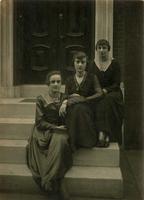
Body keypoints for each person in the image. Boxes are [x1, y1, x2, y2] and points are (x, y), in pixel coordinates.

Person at [26, 71, 72, 198]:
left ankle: (50, 179)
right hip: (43, 130)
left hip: (59, 130)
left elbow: (78, 98)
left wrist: (65, 102)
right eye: (53, 82)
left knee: (60, 141)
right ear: (48, 84)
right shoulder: (41, 99)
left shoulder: (64, 97)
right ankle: (55, 182)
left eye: (58, 81)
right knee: (41, 147)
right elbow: (39, 122)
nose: (56, 84)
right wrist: (55, 127)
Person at [59, 51, 104, 151]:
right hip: (72, 107)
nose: (80, 65)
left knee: (79, 109)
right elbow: (65, 95)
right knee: (75, 109)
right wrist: (64, 102)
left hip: (87, 107)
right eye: (77, 62)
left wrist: (84, 99)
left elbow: (99, 93)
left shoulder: (92, 77)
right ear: (73, 63)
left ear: (86, 64)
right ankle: (75, 142)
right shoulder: (69, 80)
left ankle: (82, 141)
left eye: (83, 62)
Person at [88, 39, 124, 145]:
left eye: (104, 48)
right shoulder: (92, 65)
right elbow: (90, 82)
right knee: (98, 102)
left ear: (108, 50)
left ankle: (105, 134)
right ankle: (103, 134)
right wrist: (98, 91)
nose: (102, 50)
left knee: (107, 100)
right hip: (98, 93)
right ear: (96, 50)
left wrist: (106, 90)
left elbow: (116, 83)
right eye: (99, 48)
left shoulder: (114, 63)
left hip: (113, 92)